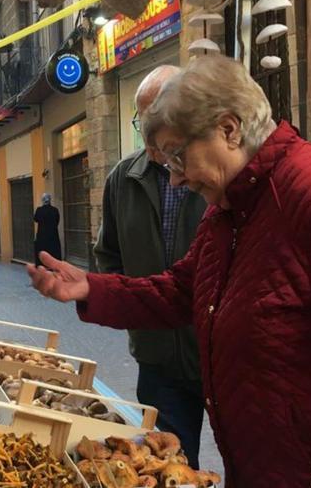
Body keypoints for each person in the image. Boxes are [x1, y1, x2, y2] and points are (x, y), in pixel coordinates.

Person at [27, 55, 311, 487]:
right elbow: (181, 291)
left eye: (178, 158)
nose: (176, 180)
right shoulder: (230, 210)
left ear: (229, 129)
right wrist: (90, 287)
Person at [93, 65, 207, 469]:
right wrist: (129, 305)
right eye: (143, 122)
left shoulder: (217, 173)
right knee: (169, 464)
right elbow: (108, 254)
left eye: (158, 121)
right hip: (157, 353)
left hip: (220, 351)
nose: (150, 134)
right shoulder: (123, 178)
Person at [33, 193, 62, 266]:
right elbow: (57, 220)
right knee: (53, 252)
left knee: (42, 252)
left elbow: (35, 219)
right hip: (53, 236)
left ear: (42, 200)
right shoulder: (55, 210)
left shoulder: (39, 210)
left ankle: (42, 264)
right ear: (50, 200)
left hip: (41, 236)